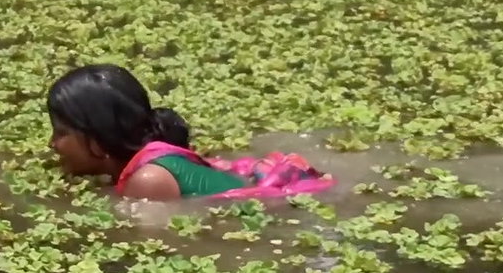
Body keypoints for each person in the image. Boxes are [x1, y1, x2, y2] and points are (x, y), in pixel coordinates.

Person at [46, 63, 334, 202]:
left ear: (97, 135)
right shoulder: (153, 157)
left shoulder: (149, 179)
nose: (52, 144)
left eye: (61, 133)